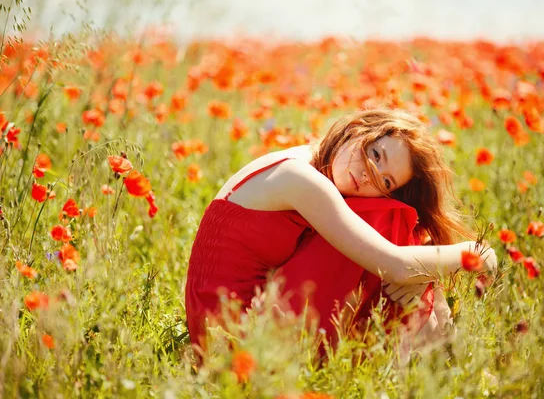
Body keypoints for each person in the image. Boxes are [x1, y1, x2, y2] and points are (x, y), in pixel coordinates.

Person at [185, 108, 497, 352]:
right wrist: (476, 253)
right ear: (357, 130)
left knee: (395, 225)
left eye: (386, 182)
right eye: (375, 154)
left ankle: (437, 357)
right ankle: (436, 360)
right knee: (389, 222)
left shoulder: (310, 160)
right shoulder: (299, 178)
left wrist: (420, 275)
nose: (367, 174)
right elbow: (396, 265)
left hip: (227, 325)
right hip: (235, 341)